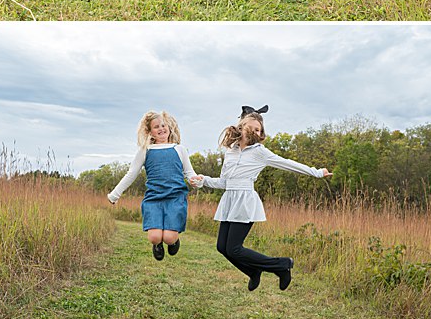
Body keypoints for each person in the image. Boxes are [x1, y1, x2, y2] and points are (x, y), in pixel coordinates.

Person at [190, 106, 328, 292]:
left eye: (259, 130)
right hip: (229, 200)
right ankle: (253, 271)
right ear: (241, 126)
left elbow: (287, 164)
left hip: (245, 202)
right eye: (252, 128)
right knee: (222, 247)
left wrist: (317, 172)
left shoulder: (260, 152)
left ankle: (282, 265)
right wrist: (203, 180)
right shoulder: (230, 151)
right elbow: (224, 182)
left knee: (234, 249)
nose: (256, 132)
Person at [107, 111, 199, 262]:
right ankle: (157, 244)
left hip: (175, 198)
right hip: (154, 198)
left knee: (169, 238)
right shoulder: (145, 151)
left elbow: (189, 173)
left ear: (169, 127)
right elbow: (131, 174)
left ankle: (173, 241)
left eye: (163, 125)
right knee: (155, 237)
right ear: (150, 132)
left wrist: (197, 180)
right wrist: (115, 194)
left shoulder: (179, 149)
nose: (161, 129)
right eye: (156, 127)